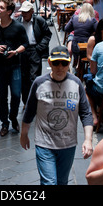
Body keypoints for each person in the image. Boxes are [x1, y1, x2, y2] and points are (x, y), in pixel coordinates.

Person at [20, 46, 93, 185]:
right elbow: (29, 110)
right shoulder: (39, 83)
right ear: (49, 62)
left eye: (64, 63)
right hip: (44, 143)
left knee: (61, 181)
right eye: (56, 63)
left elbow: (86, 113)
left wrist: (88, 140)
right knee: (49, 182)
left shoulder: (76, 83)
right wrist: (24, 134)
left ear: (69, 63)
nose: (60, 67)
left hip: (68, 143)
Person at [0, 0, 29, 136]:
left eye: (1, 8)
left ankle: (13, 117)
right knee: (2, 96)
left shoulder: (17, 27)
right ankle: (4, 122)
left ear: (9, 11)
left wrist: (15, 51)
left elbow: (25, 44)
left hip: (15, 65)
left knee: (16, 95)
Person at [18, 1, 52, 105]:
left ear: (32, 11)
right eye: (23, 12)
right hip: (22, 51)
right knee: (23, 77)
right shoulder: (18, 21)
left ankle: (34, 101)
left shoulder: (39, 20)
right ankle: (26, 102)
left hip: (34, 49)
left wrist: (39, 48)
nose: (24, 14)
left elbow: (47, 34)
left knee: (34, 76)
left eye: (26, 12)